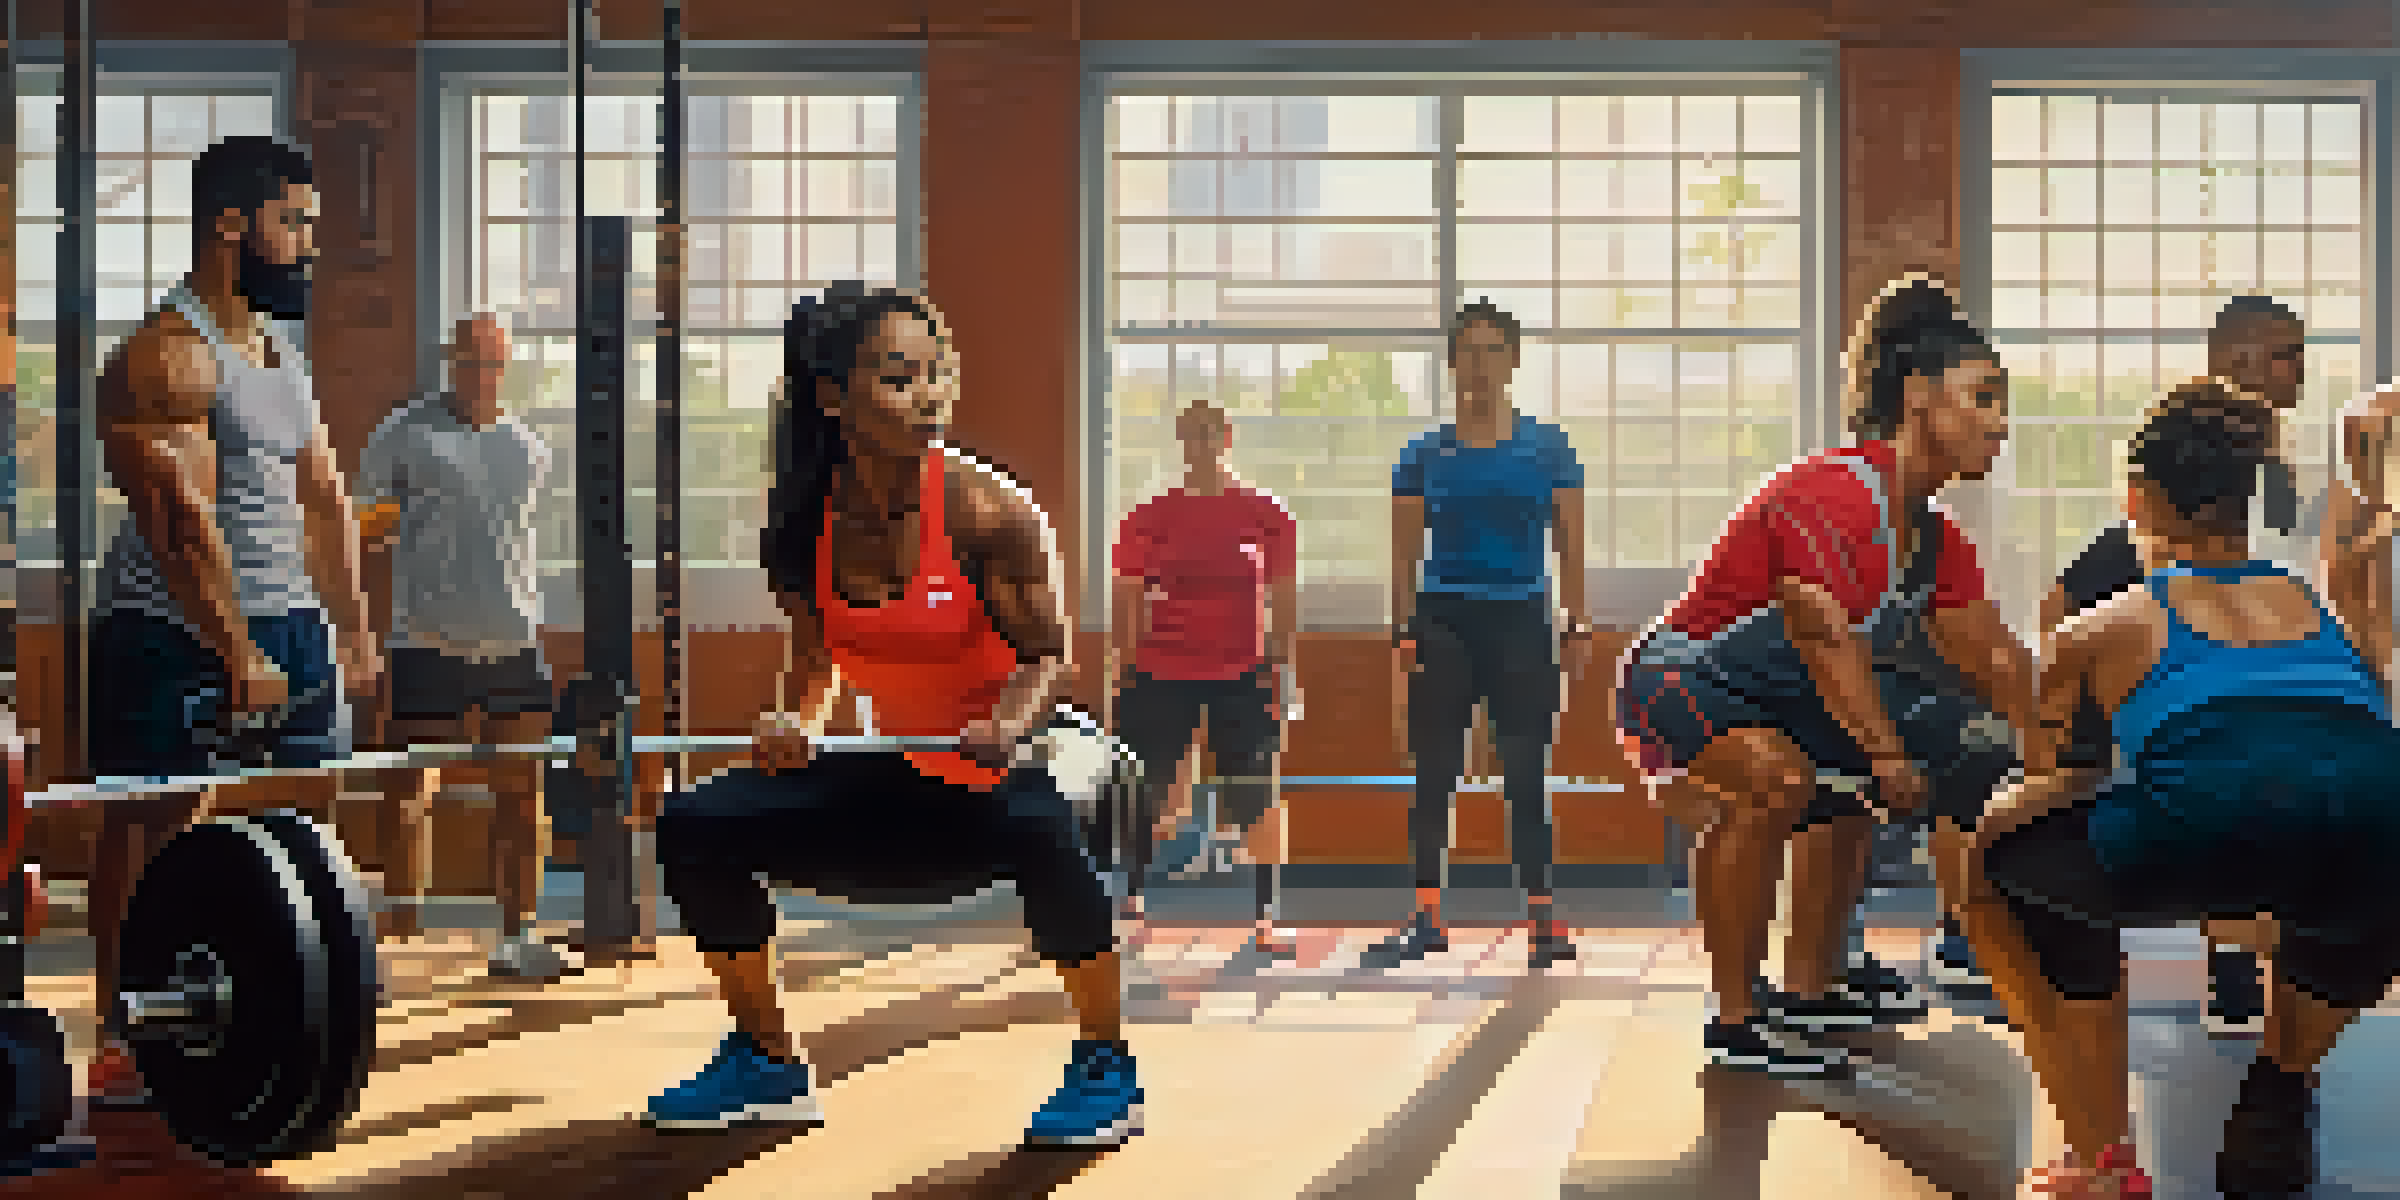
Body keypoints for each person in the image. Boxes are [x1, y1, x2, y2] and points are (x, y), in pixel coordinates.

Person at [643, 283, 1141, 1148]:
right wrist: (793, 722)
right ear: (833, 397)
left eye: (936, 374)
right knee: (697, 820)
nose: (930, 395)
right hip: (922, 773)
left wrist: (1007, 724)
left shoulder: (989, 511)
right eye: (899, 377)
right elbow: (814, 660)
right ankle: (766, 1061)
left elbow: (1044, 660)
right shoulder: (804, 525)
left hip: (1040, 750)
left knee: (1042, 816)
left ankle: (1105, 1065)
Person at [1960, 383, 2400, 1199]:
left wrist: (1993, 824)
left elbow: (2055, 776)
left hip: (2212, 832)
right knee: (2350, 851)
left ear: (2136, 499)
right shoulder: (2308, 601)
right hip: (2382, 829)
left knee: (2000, 868)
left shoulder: (2099, 628)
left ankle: (2099, 1161)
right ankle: (2281, 1078)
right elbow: (2355, 726)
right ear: (2248, 500)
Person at [1613, 276, 2034, 1076]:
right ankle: (1735, 1018)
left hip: (1777, 693)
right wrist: (1887, 753)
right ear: (1918, 397)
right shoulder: (1836, 490)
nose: (1999, 423)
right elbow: (1820, 632)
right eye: (1982, 399)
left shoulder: (1937, 541)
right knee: (1781, 778)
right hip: (1680, 681)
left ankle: (1813, 983)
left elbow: (1998, 662)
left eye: (2002, 404)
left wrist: (2078, 748)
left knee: (1922, 756)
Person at [85, 135, 377, 1106]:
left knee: (308, 815)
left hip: (287, 623)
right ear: (230, 225)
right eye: (293, 222)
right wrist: (236, 647)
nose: (308, 245)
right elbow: (179, 525)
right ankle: (120, 1024)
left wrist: (354, 632)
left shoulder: (280, 352)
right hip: (171, 631)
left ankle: (282, 1003)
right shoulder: (163, 359)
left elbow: (327, 499)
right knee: (148, 824)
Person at [2035, 295, 2312, 1036]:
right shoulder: (2177, 499)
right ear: (2236, 362)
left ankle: (2249, 969)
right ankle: (2223, 966)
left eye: (2300, 353)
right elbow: (2059, 606)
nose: (2300, 371)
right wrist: (2088, 724)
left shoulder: (2277, 482)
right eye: (2284, 354)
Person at [1381, 299, 1594, 971]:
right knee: (1435, 771)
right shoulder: (1424, 455)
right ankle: (1426, 915)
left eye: (1491, 350)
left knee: (1526, 773)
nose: (1479, 363)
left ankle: (1541, 918)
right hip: (1443, 619)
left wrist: (1578, 621)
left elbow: (1570, 542)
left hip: (1522, 621)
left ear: (1513, 360)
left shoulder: (1548, 448)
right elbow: (1403, 552)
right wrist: (1401, 633)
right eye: (1467, 351)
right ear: (1451, 364)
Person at [355, 314, 567, 979]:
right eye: (471, 363)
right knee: (409, 791)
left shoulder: (529, 448)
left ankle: (518, 936)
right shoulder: (404, 434)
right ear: (450, 362)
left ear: (508, 368)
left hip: (512, 640)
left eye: (493, 365)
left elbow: (523, 546)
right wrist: (386, 532)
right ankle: (400, 939)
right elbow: (367, 525)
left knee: (522, 792)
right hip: (425, 642)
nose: (482, 377)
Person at [1109, 400, 1299, 955]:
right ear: (1180, 442)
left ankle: (1267, 915)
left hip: (1243, 674)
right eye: (1190, 435)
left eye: (1209, 434)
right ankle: (1132, 901)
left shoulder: (1266, 514)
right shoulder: (1149, 517)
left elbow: (1282, 597)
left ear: (1227, 438)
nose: (1200, 445)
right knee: (1149, 794)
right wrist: (1121, 669)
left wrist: (1284, 668)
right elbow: (1127, 596)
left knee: (1257, 795)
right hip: (1160, 672)